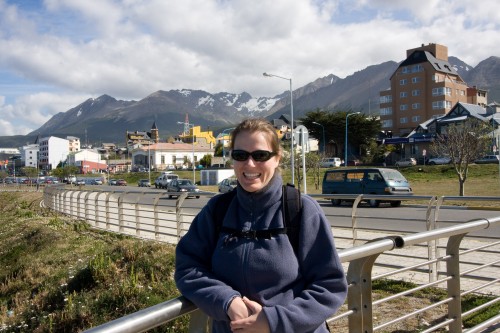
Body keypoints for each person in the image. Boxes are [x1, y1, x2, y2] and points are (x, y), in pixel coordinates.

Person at [175, 118, 347, 333]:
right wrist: (227, 301)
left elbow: (330, 285)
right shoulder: (217, 210)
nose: (249, 164)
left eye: (260, 155)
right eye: (240, 155)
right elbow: (188, 267)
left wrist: (272, 321)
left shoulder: (302, 210)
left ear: (277, 158)